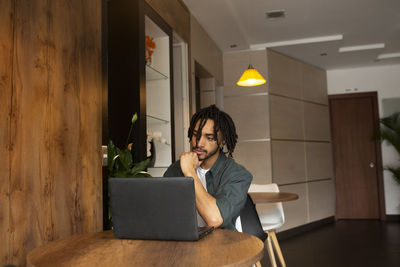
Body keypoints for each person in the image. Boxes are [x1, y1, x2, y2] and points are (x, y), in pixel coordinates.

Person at [163, 104, 252, 230]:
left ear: (222, 141)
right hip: (182, 241)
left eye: (209, 138)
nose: (199, 143)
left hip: (222, 245)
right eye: (195, 135)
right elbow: (162, 212)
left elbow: (214, 219)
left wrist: (189, 172)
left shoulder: (238, 175)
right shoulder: (176, 169)